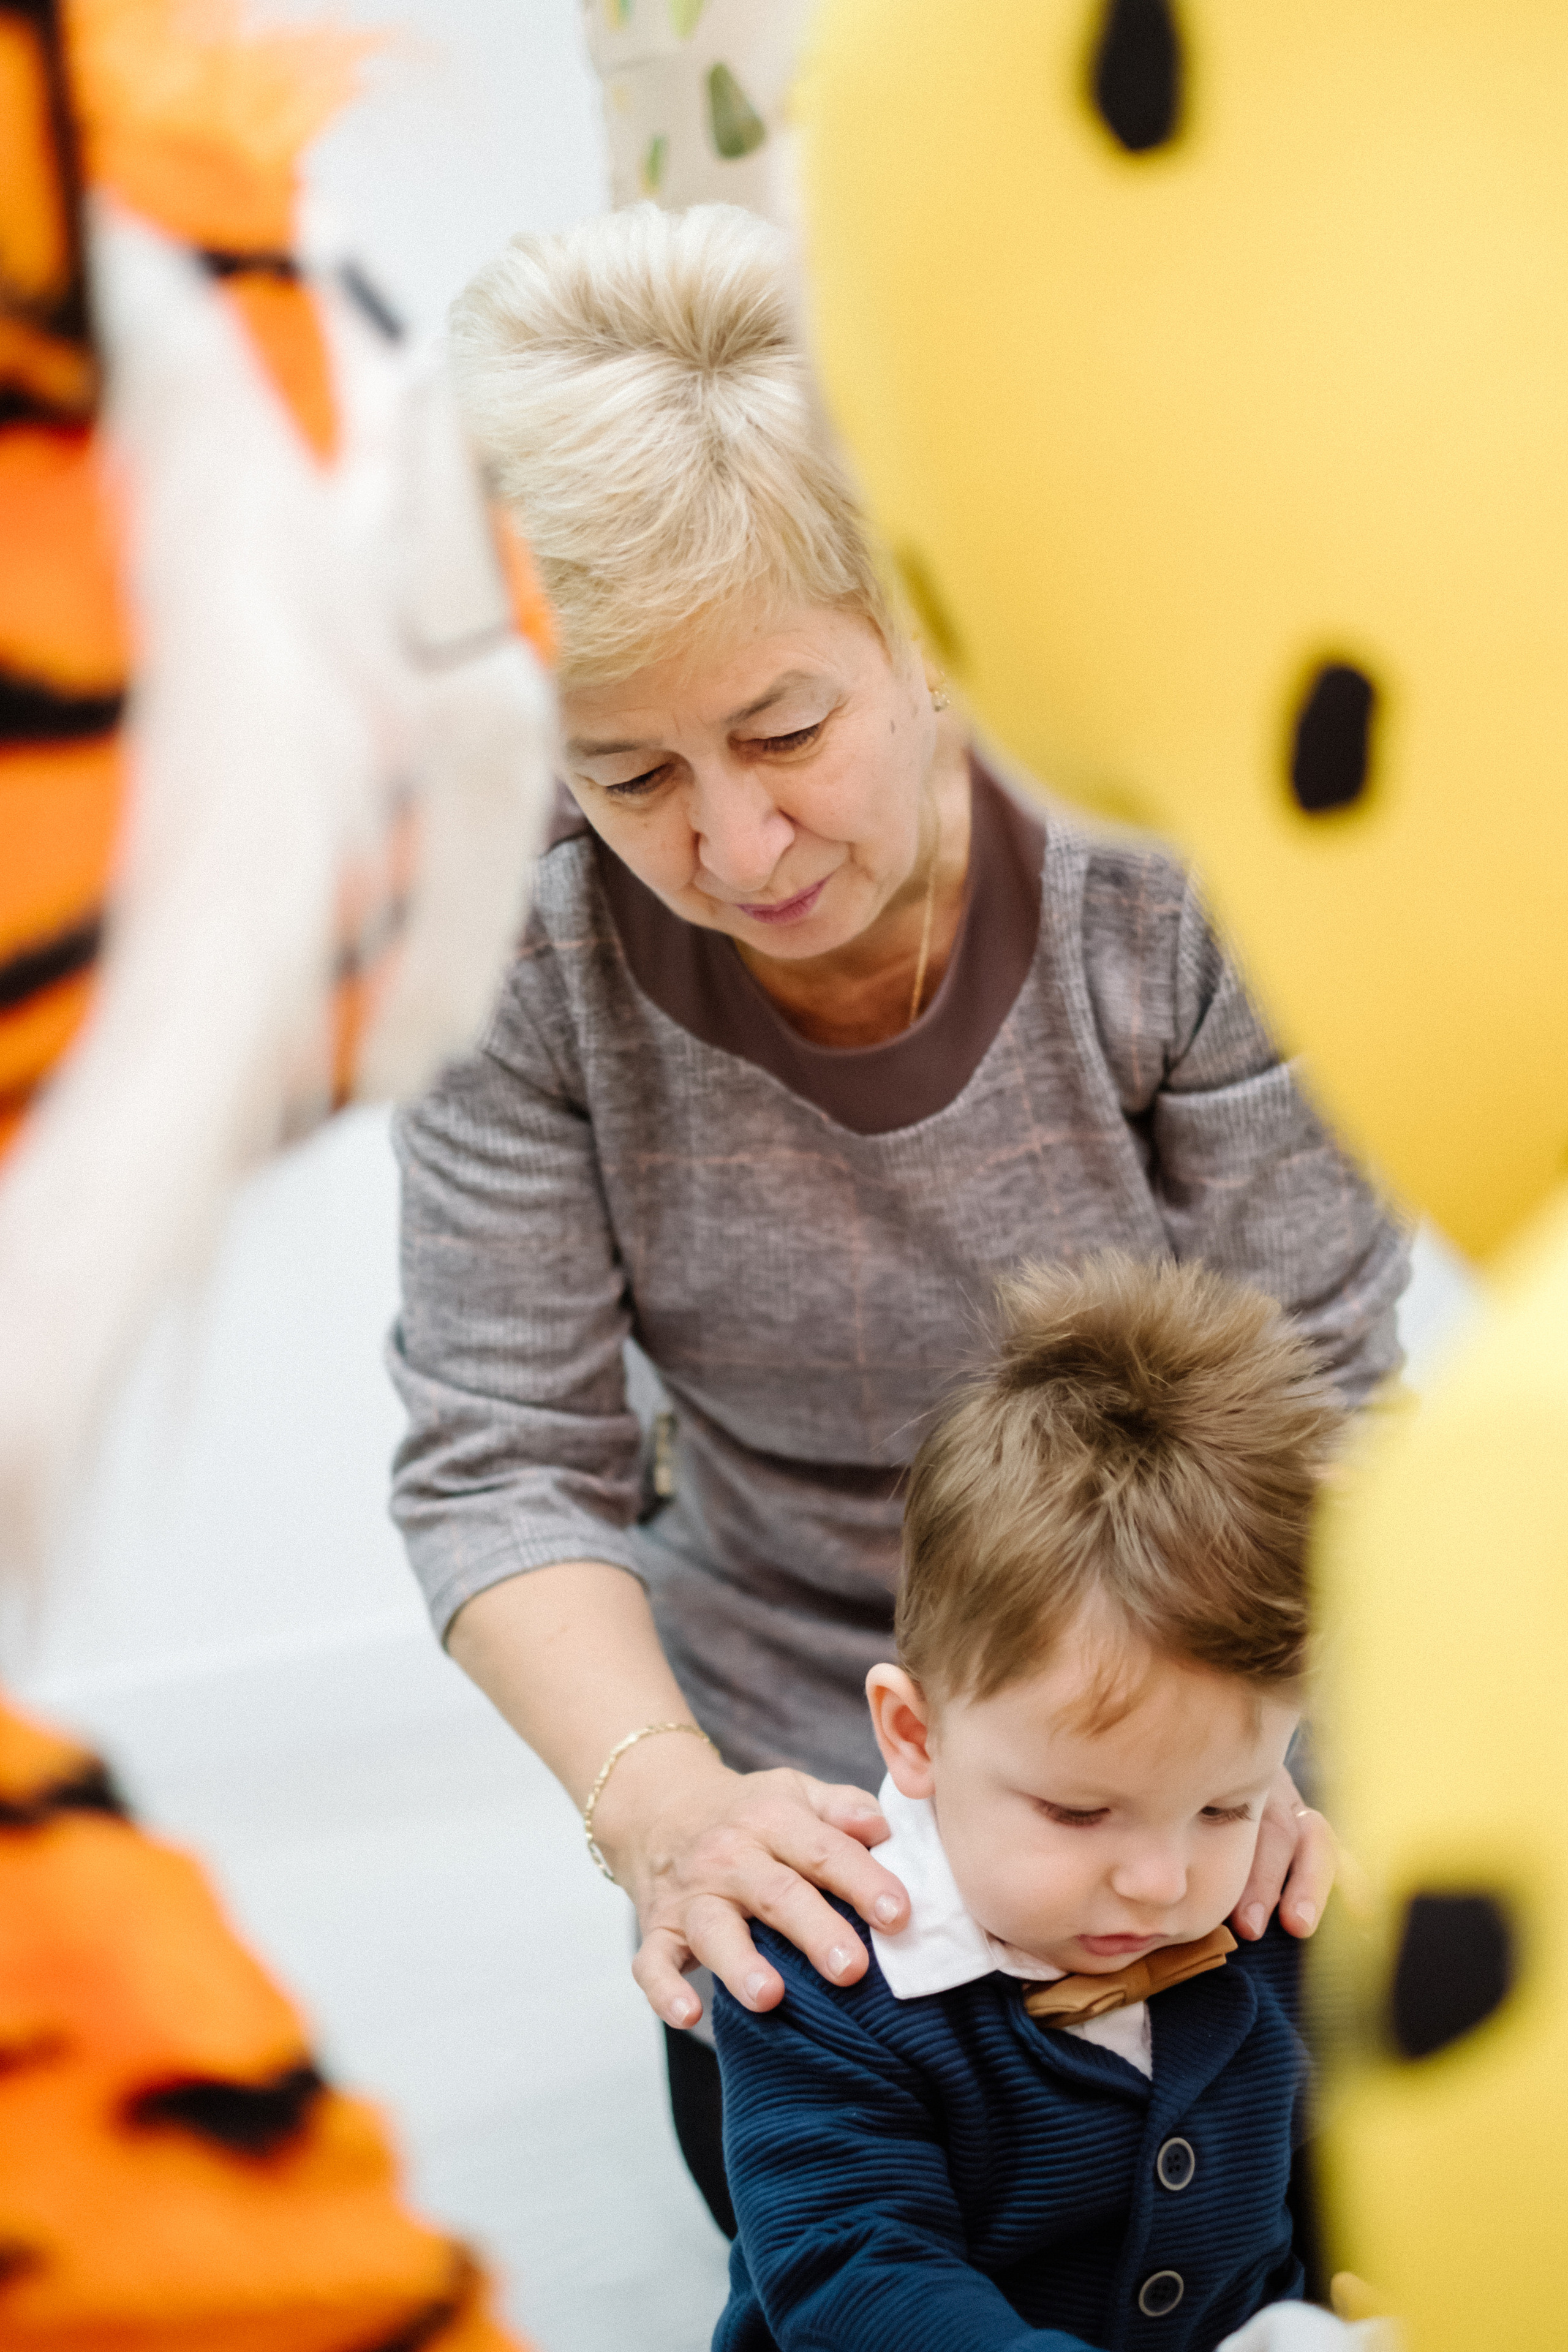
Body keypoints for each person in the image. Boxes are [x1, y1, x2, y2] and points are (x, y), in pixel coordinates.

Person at [388, 201, 1409, 2232]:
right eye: (632, 771)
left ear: (921, 622)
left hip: (1207, 1720)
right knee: (890, 2221)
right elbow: (505, 1463)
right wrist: (671, 1812)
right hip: (812, 1783)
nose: (736, 842)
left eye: (785, 732)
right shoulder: (513, 952)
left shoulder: (1168, 870)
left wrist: (1238, 1783)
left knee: (1323, 2189)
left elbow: (1320, 1391)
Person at [712, 1255, 1358, 2352]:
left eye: (1222, 1808)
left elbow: (1345, 2166)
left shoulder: (1269, 1917)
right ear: (914, 1735)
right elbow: (855, 2272)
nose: (1163, 1884)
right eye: (1078, 1813)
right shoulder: (824, 1980)